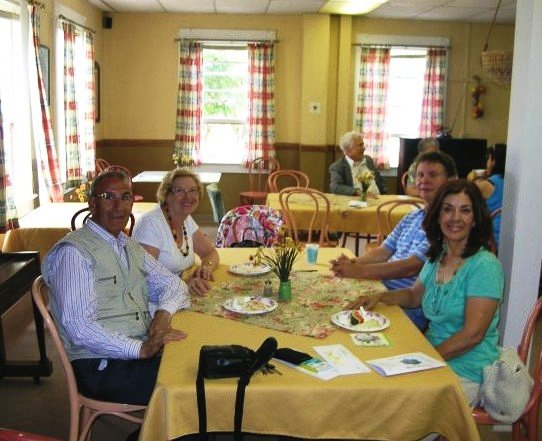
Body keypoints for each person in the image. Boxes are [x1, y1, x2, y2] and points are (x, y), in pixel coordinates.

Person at [348, 180, 504, 406]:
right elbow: (413, 296)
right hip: (432, 355)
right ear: (437, 216)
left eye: (465, 210)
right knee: (371, 375)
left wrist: (424, 357)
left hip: (467, 369)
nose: (455, 218)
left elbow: (472, 335)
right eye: (448, 209)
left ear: (476, 218)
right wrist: (380, 297)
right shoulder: (438, 256)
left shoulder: (484, 266)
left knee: (391, 401)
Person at [42, 170, 190, 406]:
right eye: (107, 197)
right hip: (99, 365)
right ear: (92, 203)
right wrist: (141, 349)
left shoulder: (127, 245)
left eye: (125, 197)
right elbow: (80, 328)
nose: (118, 206)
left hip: (133, 352)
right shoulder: (73, 253)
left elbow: (174, 285)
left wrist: (162, 315)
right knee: (190, 386)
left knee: (199, 361)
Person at [331, 151, 457, 331]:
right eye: (420, 175)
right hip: (383, 292)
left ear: (451, 180)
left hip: (408, 306)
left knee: (344, 325)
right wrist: (350, 263)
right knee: (334, 308)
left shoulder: (445, 226)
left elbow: (411, 266)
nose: (424, 180)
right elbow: (383, 251)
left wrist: (359, 271)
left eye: (433, 175)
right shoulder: (412, 217)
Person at [132, 168, 220, 296]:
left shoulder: (186, 219)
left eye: (192, 190)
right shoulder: (150, 224)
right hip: (155, 304)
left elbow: (210, 252)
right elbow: (145, 279)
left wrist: (206, 267)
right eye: (179, 191)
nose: (188, 196)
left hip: (179, 295)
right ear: (167, 195)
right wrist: (184, 283)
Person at [467, 143, 506, 247]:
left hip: (491, 238)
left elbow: (465, 194)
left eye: (488, 158)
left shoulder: (486, 185)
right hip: (506, 233)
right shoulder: (508, 181)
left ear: (493, 161)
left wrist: (471, 177)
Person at [329, 131, 387, 197]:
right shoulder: (338, 167)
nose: (364, 148)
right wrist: (358, 193)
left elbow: (379, 179)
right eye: (360, 145)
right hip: (356, 203)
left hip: (379, 199)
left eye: (363, 145)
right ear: (348, 150)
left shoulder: (368, 160)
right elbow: (335, 187)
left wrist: (384, 191)